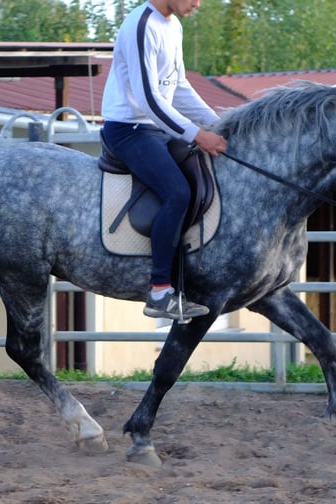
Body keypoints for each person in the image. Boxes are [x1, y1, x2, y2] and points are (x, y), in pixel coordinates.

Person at [101, 0, 227, 321]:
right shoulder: (142, 25)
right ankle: (159, 292)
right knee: (177, 192)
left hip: (156, 128)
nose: (198, 3)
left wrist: (217, 124)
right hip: (130, 129)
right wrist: (197, 134)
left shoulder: (173, 25)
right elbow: (149, 100)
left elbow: (179, 86)